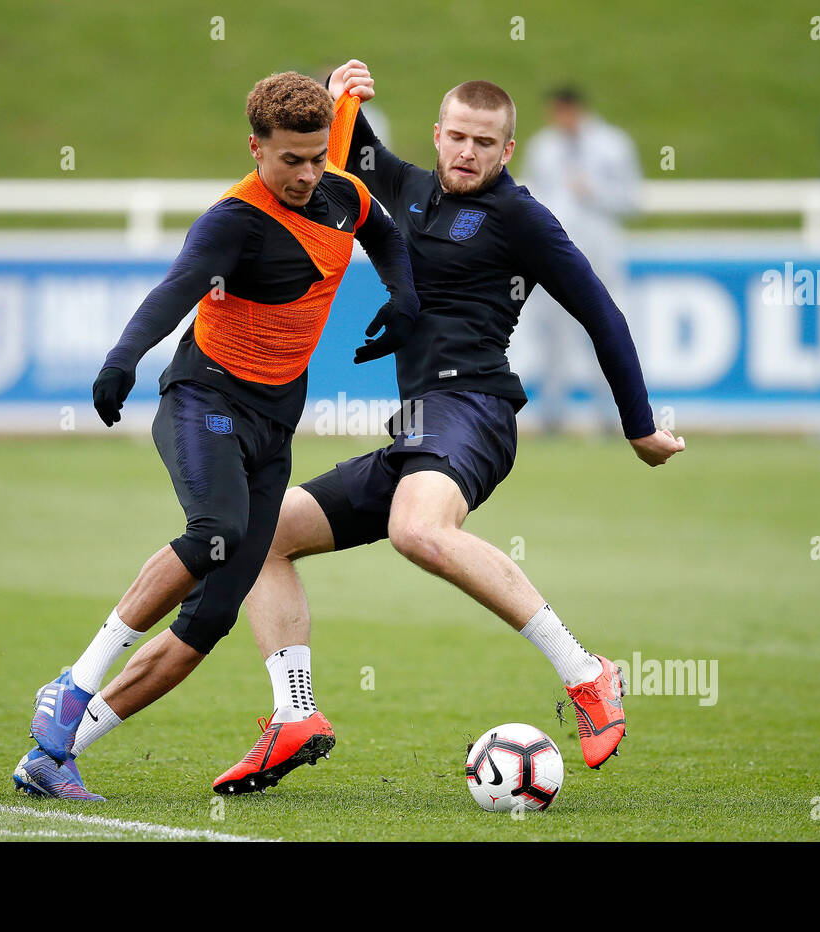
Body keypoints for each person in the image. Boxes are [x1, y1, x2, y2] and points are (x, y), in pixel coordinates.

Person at [215, 60, 683, 795]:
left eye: (484, 142)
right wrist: (342, 94)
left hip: (476, 412)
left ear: (508, 151)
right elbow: (347, 149)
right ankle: (293, 715)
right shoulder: (408, 188)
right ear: (438, 136)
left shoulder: (522, 217)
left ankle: (585, 672)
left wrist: (640, 426)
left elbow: (602, 313)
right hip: (418, 428)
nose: (468, 151)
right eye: (457, 137)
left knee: (417, 531)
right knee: (261, 535)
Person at [12, 71, 418, 800]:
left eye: (315, 158)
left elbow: (385, 235)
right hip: (205, 401)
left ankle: (54, 754)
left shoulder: (342, 194)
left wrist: (405, 297)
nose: (304, 175)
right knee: (217, 531)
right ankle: (72, 682)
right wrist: (121, 359)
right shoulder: (234, 219)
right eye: (288, 160)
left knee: (211, 620)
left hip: (275, 422)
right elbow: (177, 287)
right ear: (254, 147)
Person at [519, 85, 642, 433]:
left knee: (606, 330)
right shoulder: (543, 147)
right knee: (552, 335)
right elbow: (532, 197)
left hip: (600, 253)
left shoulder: (612, 145)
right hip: (555, 255)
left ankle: (613, 417)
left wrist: (595, 192)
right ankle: (552, 416)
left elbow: (632, 199)